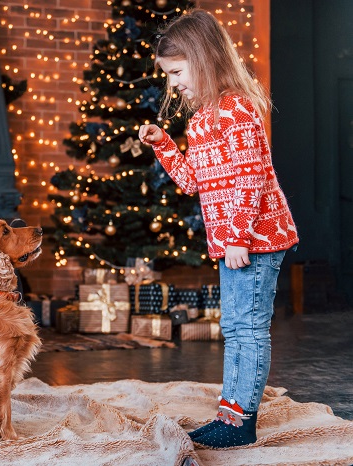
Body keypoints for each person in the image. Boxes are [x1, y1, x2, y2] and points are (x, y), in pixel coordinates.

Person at [139, 9, 299, 448]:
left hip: (254, 239)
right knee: (235, 326)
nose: (172, 83)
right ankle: (231, 414)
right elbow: (194, 180)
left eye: (176, 71)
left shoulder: (236, 109)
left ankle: (239, 422)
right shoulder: (203, 118)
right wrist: (165, 146)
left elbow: (253, 178)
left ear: (202, 58)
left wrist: (235, 238)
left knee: (248, 327)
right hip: (236, 241)